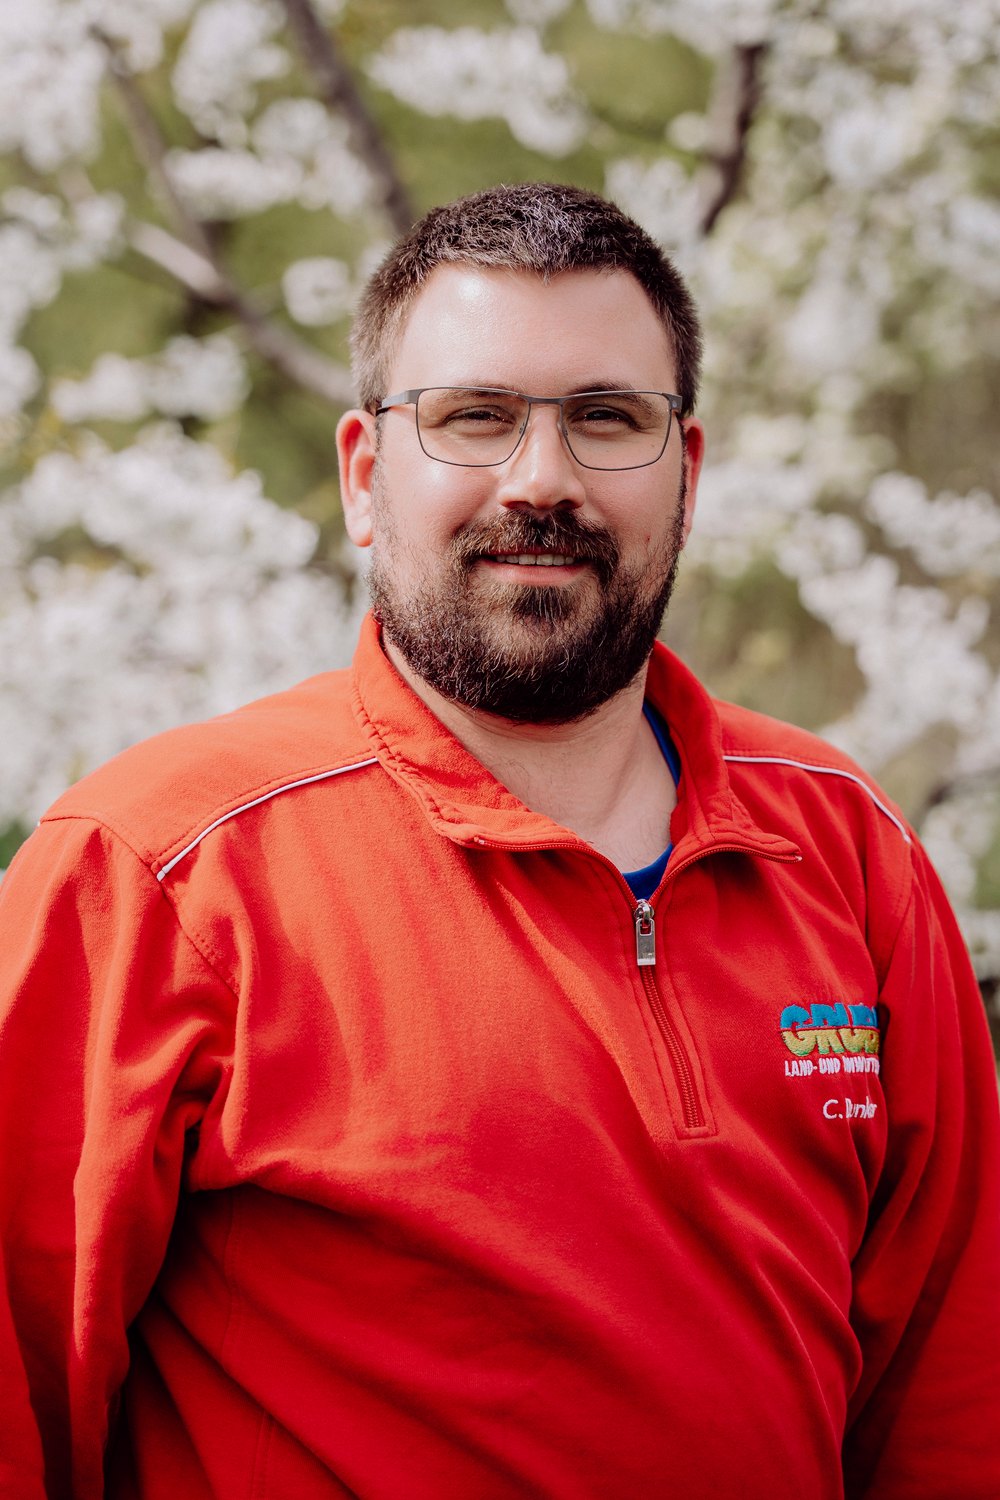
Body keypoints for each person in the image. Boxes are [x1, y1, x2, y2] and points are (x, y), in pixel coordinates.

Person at [1, 182, 998, 1500]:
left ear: (688, 475)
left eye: (608, 419)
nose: (542, 480)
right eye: (474, 417)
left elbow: (951, 1404)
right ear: (366, 476)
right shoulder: (158, 868)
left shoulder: (849, 849)